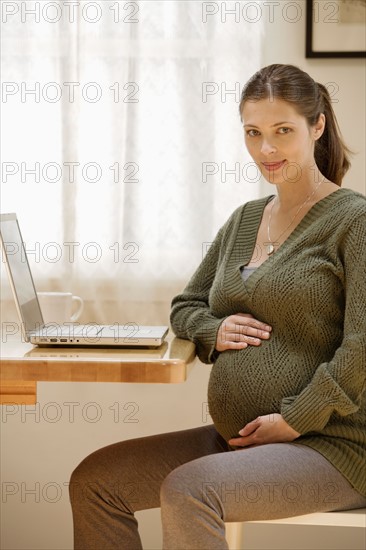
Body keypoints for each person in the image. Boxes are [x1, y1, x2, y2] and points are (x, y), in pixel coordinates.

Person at [69, 64, 366, 549]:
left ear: (318, 126)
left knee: (190, 491)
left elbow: (362, 346)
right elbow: (185, 306)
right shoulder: (246, 219)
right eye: (253, 133)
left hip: (333, 447)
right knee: (96, 482)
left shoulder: (354, 221)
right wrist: (213, 329)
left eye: (282, 131)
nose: (265, 150)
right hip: (242, 440)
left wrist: (296, 418)